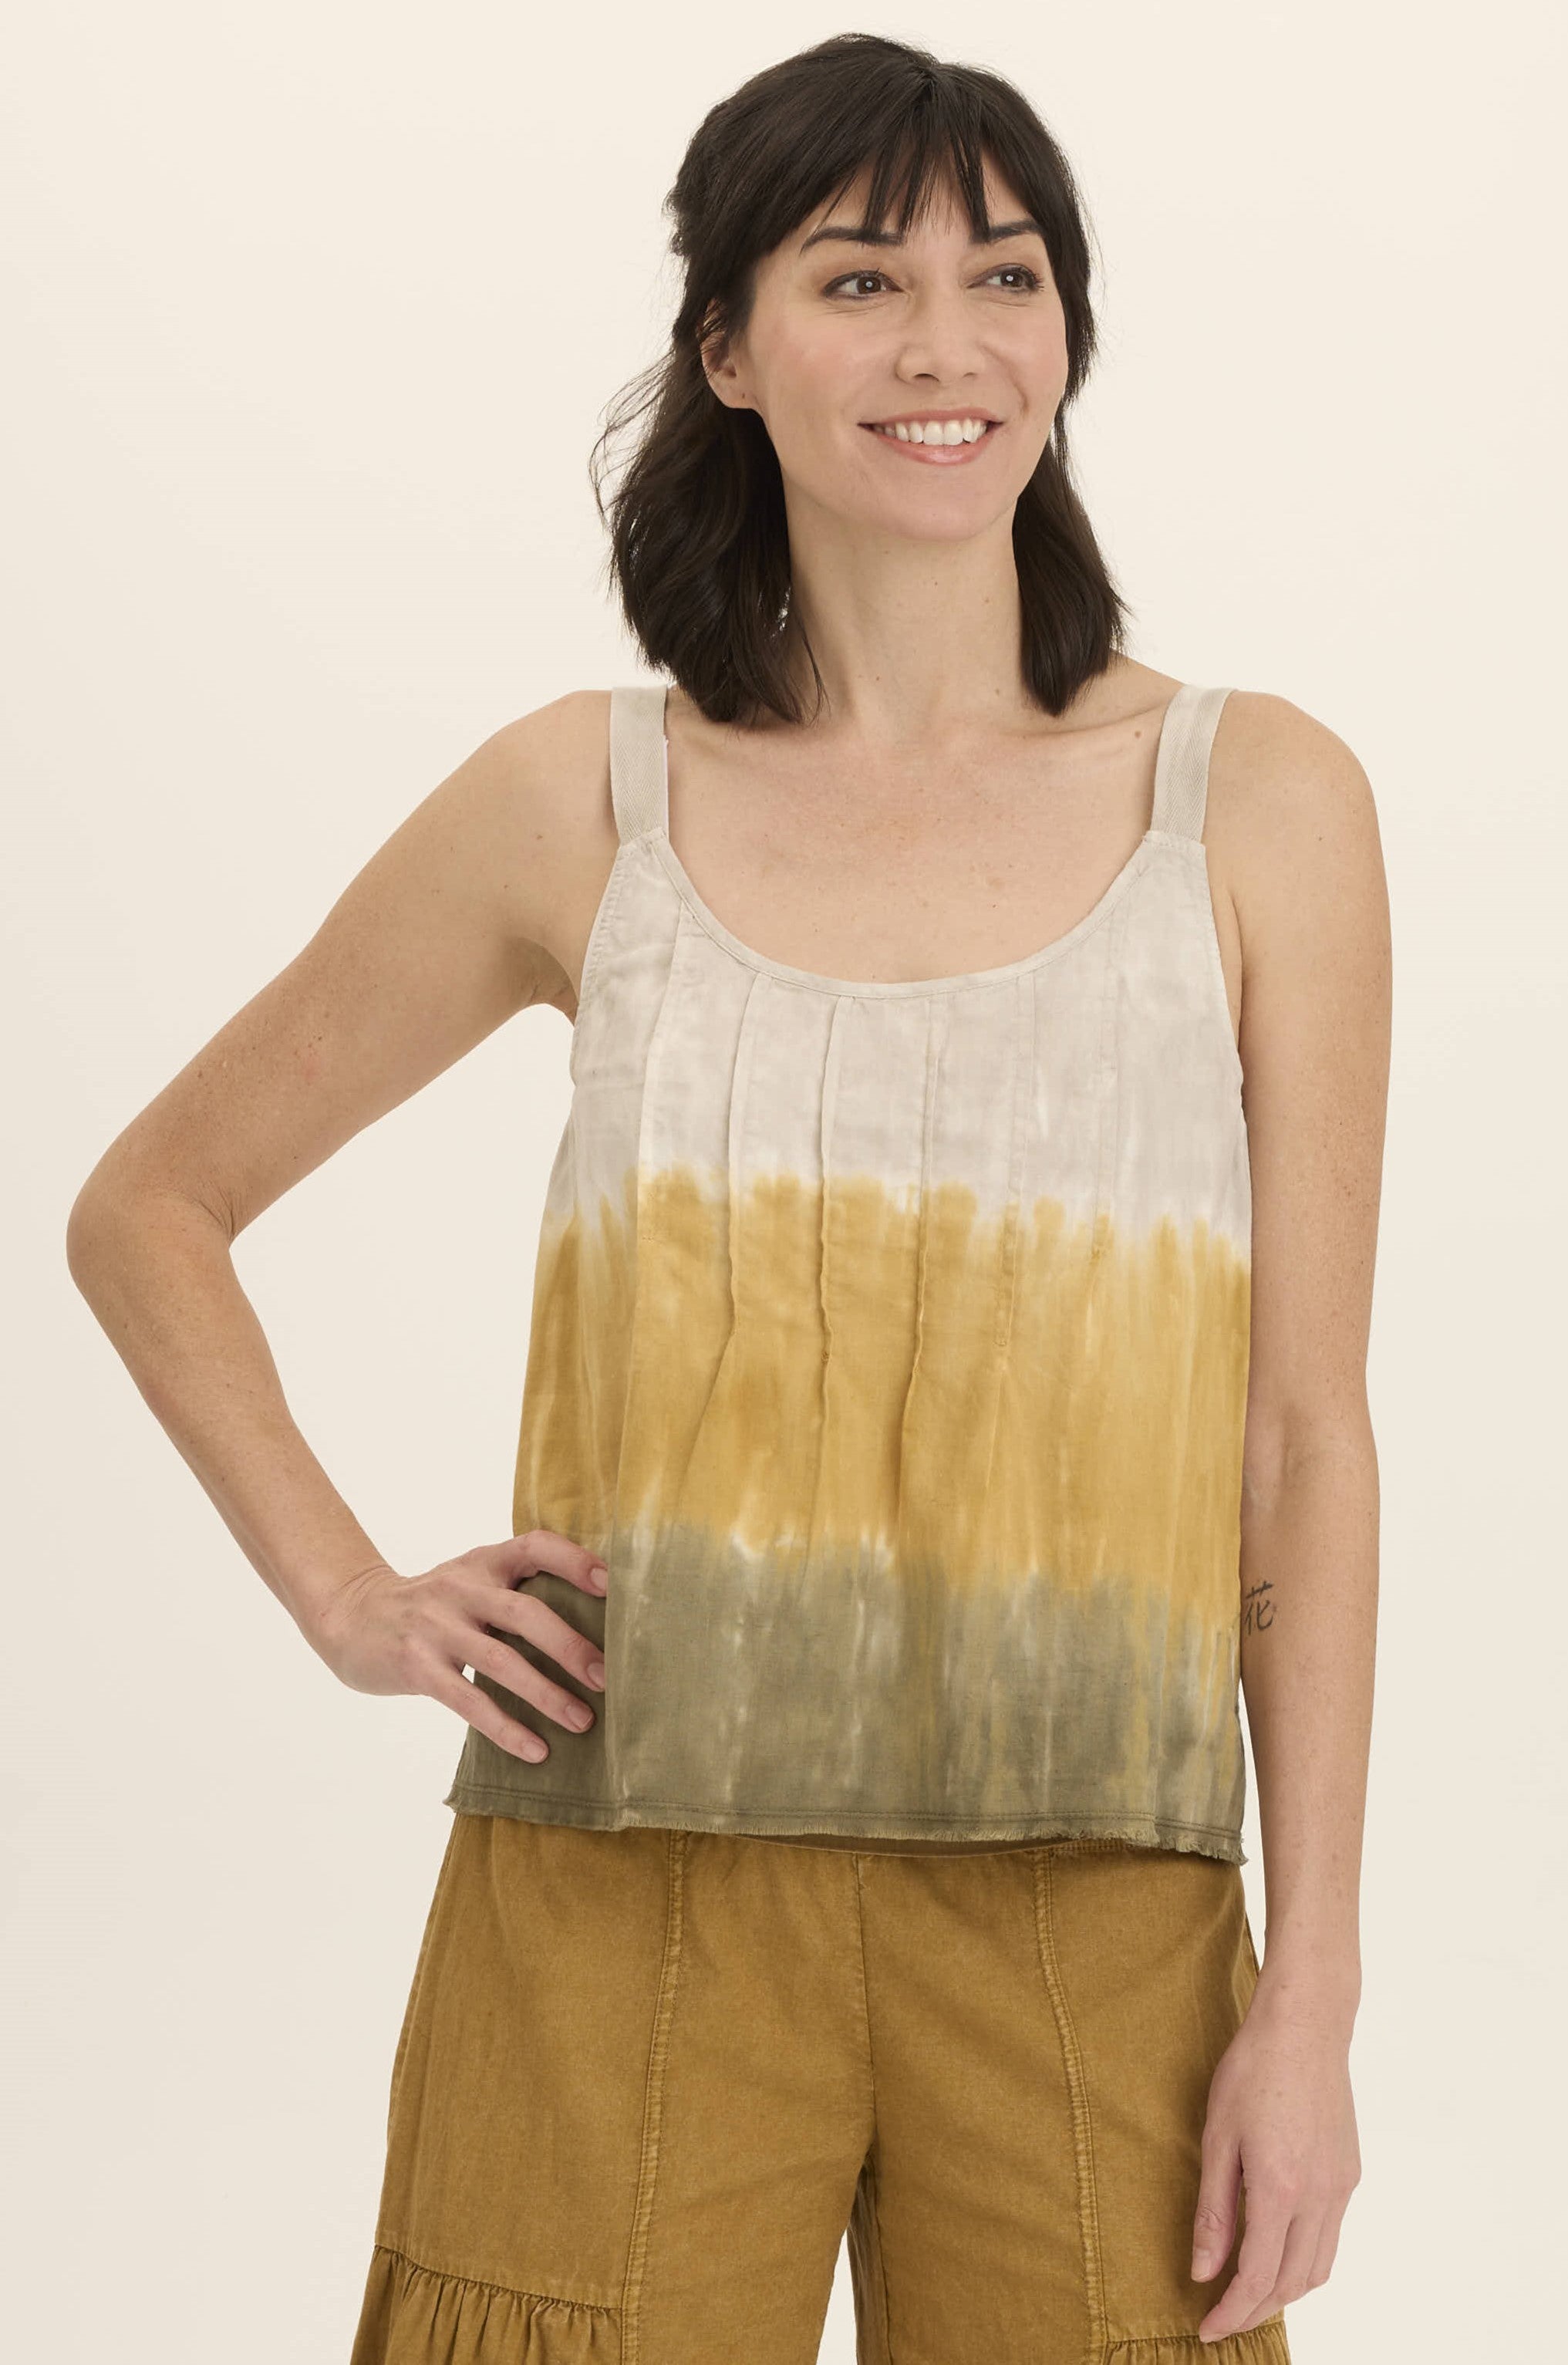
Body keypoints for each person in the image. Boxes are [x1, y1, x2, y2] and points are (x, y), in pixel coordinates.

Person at [66, 32, 1388, 2364]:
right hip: (621, 1895)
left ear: (1068, 334)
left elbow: (1300, 1444)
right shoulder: (578, 803)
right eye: (859, 280)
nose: (945, 344)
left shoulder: (1254, 802)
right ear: (728, 349)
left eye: (1004, 276)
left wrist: (1315, 1994)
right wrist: (350, 1597)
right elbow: (151, 1203)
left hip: (1101, 1908)